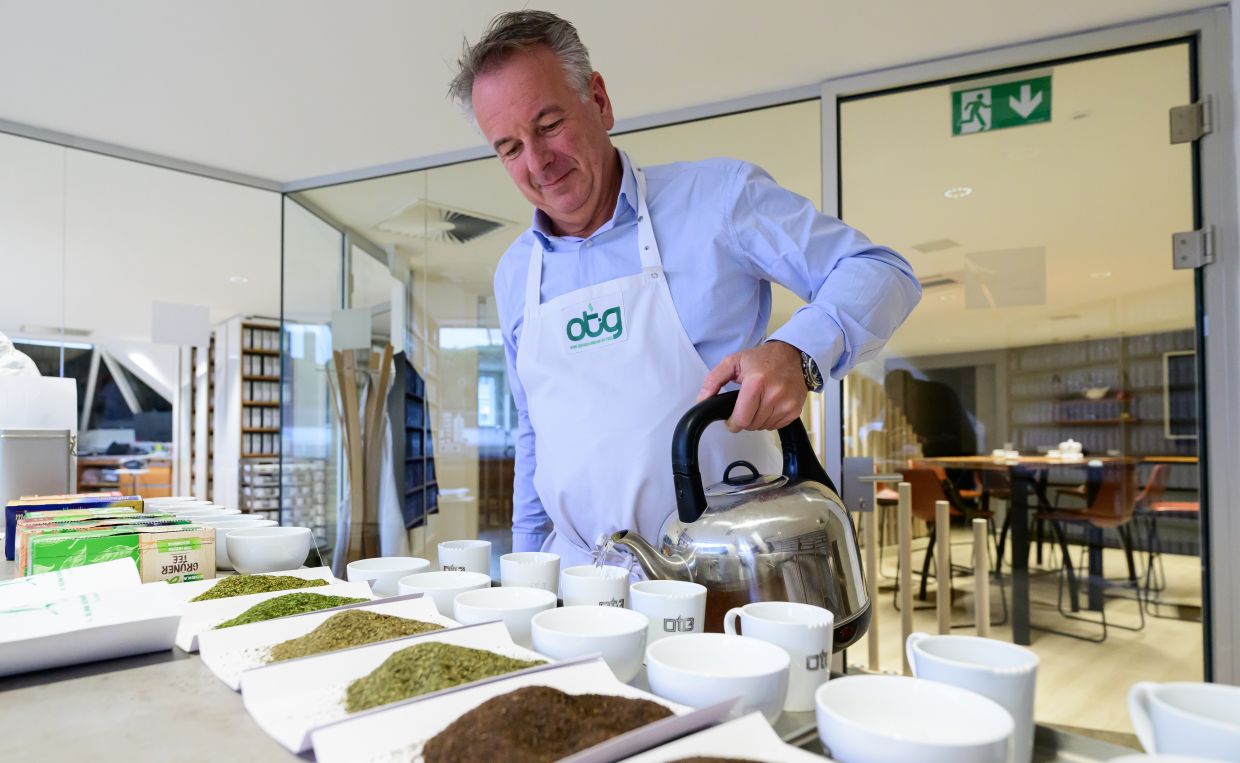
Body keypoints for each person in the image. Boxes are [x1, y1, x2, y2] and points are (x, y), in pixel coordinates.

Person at [449, 10, 921, 567]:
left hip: (725, 573)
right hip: (577, 581)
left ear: (598, 100)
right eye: (509, 148)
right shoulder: (515, 273)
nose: (537, 161)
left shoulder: (718, 200)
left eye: (549, 125)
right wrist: (526, 569)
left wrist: (797, 351)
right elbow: (535, 434)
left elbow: (880, 270)